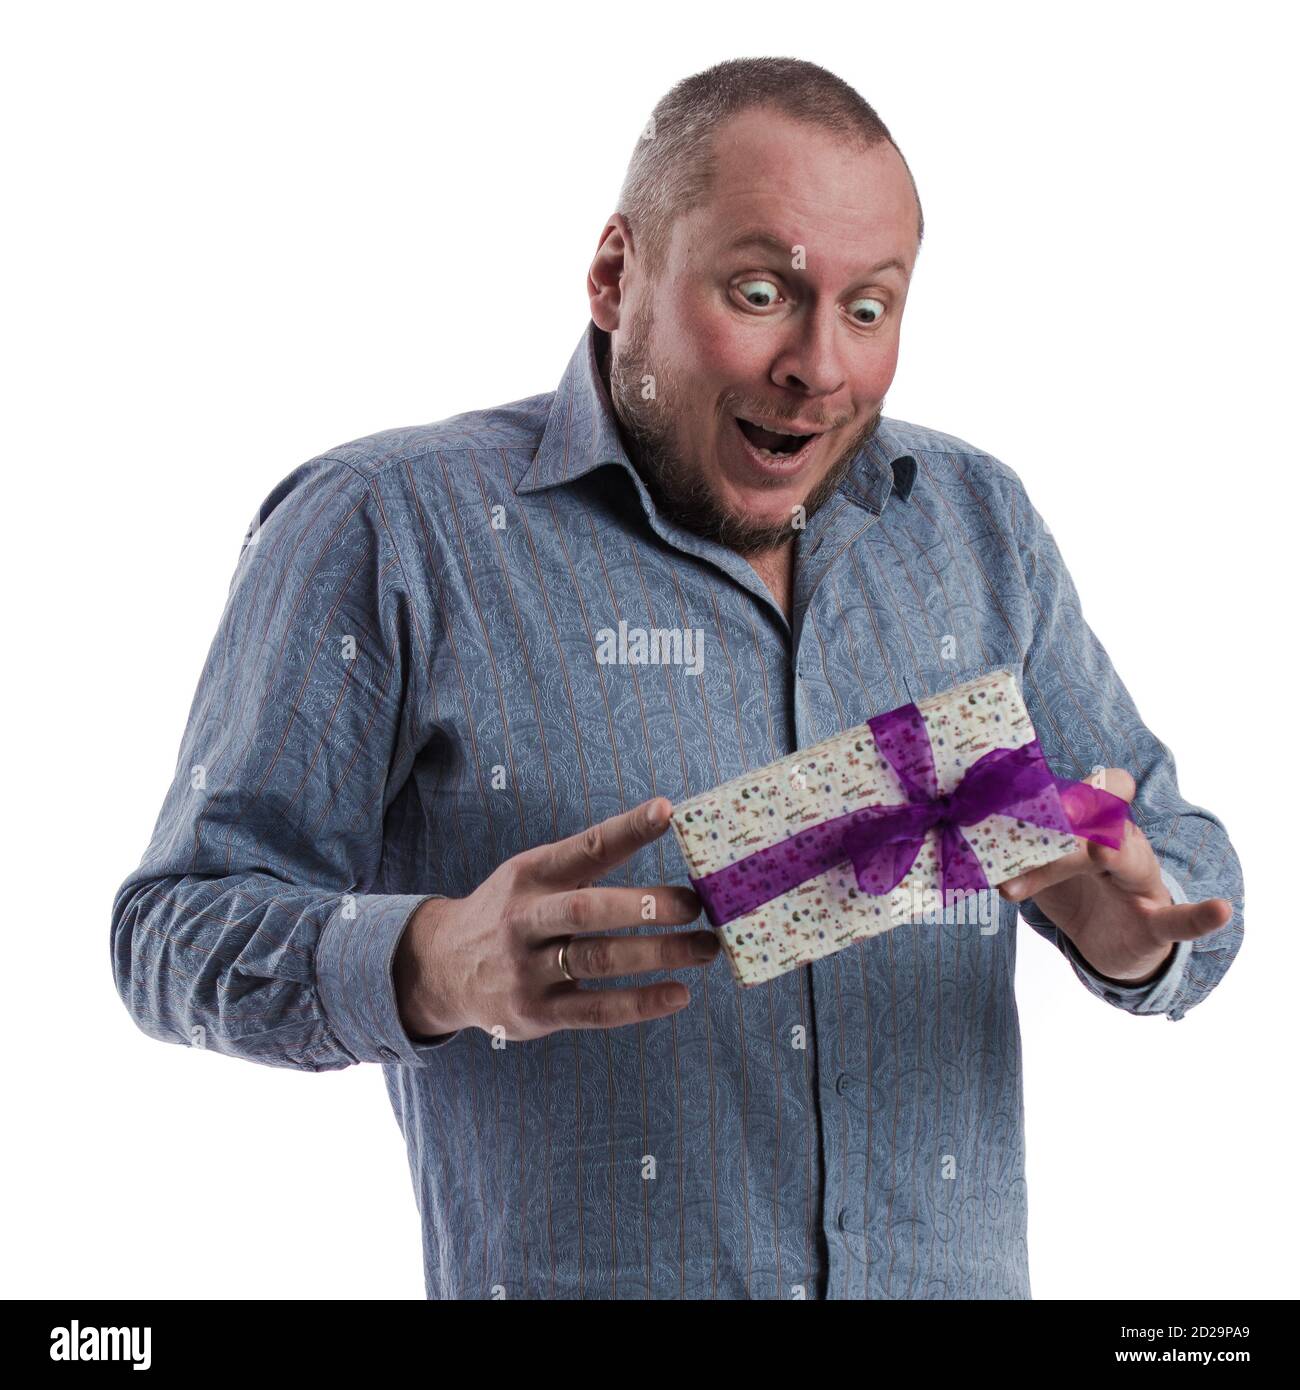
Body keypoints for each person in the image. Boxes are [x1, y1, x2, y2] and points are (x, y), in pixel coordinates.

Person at [111, 56, 1243, 1300]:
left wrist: (1131, 934)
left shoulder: (974, 522)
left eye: (869, 308)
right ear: (615, 275)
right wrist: (433, 960)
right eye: (761, 291)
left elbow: (1169, 850)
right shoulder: (388, 525)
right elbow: (174, 929)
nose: (818, 364)